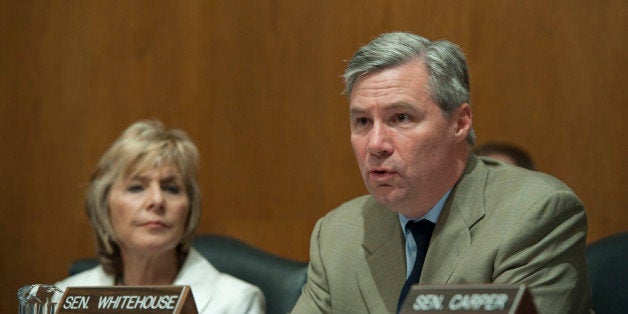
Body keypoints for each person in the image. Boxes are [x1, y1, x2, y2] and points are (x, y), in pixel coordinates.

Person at [291, 32, 591, 313]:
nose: (376, 144)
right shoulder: (336, 234)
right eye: (362, 121)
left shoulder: (533, 214)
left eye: (401, 117)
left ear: (460, 123)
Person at [56, 120, 265, 314]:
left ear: (190, 210)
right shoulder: (59, 301)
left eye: (171, 189)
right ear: (104, 206)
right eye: (136, 187)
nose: (157, 200)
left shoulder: (236, 302)